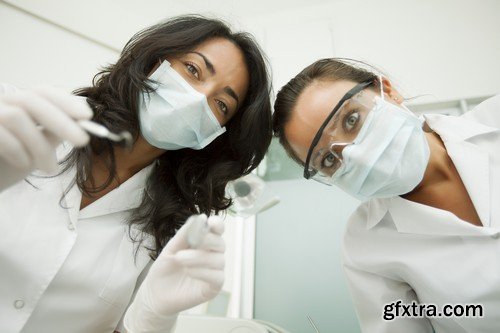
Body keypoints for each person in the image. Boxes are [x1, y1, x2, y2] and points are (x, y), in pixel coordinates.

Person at [0, 15, 272, 333]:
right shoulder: (23, 119)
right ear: (154, 61)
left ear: (216, 134)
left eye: (221, 104)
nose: (199, 98)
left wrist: (152, 318)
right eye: (193, 70)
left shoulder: (170, 229)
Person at [272, 58, 500, 332]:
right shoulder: (365, 244)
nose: (357, 156)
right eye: (329, 160)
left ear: (388, 91)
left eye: (351, 119)